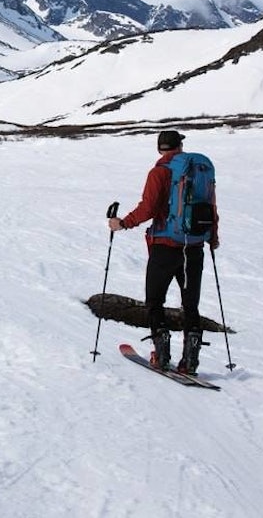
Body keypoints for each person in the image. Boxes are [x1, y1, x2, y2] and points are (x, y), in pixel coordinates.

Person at [106, 129, 218, 373]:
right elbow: (211, 206)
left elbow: (148, 208)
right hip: (194, 246)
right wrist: (213, 238)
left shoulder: (158, 172)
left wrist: (123, 223)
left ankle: (162, 352)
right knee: (190, 304)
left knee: (155, 300)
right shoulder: (199, 170)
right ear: (179, 146)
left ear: (159, 149)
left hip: (164, 246)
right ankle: (190, 361)